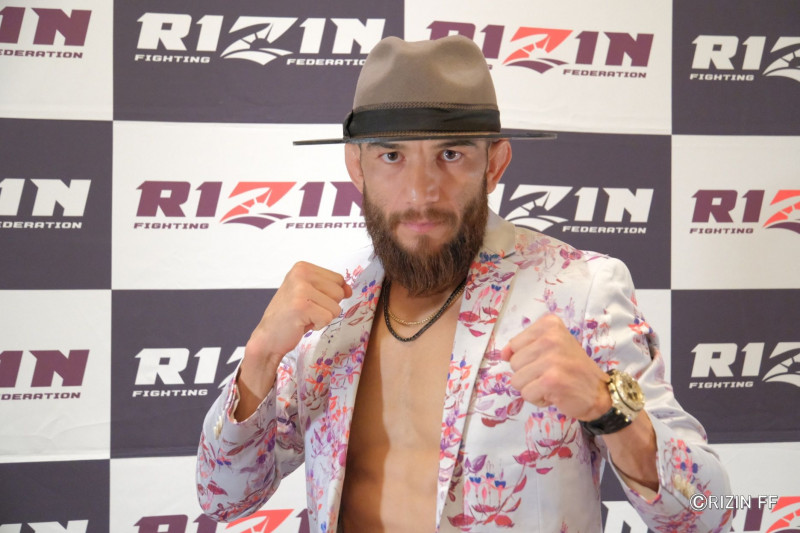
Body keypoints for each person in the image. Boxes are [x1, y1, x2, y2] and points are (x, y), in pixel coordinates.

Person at [196, 35, 732, 532]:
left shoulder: (578, 289)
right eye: (391, 156)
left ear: (494, 163)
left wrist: (607, 407)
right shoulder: (329, 310)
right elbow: (223, 499)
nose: (421, 191)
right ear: (356, 167)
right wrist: (259, 357)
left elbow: (709, 513)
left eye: (451, 154)